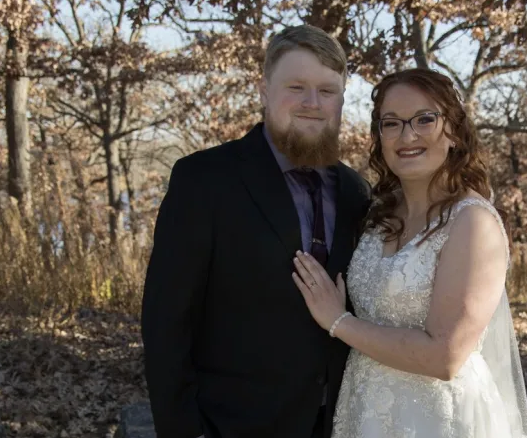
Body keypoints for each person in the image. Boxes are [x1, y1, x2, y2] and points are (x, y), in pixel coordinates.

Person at [141, 25, 371, 438]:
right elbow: (166, 324)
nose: (312, 103)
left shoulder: (356, 191)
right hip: (230, 425)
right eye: (296, 86)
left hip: (338, 422)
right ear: (264, 89)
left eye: (327, 90)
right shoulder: (204, 179)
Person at [291, 68, 527, 437]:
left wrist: (339, 322)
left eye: (425, 119)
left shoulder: (472, 223)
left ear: (453, 131)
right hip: (365, 408)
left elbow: (446, 356)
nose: (407, 136)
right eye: (392, 123)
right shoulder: (377, 216)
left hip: (438, 418)